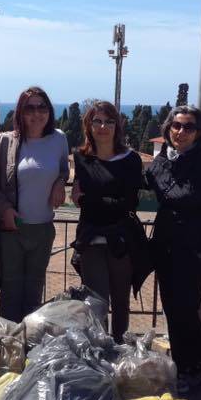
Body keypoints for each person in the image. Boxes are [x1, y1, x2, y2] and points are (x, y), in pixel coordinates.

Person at [144, 105, 201, 388]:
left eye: (189, 127)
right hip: (165, 245)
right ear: (168, 128)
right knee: (172, 307)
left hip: (195, 248)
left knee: (186, 305)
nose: (181, 132)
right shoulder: (160, 163)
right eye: (177, 126)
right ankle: (186, 364)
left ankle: (194, 364)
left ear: (198, 133)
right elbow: (137, 184)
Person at [71, 101, 150, 342]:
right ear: (89, 125)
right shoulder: (81, 158)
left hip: (121, 239)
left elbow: (127, 203)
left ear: (117, 126)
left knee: (121, 301)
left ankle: (121, 353)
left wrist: (90, 199)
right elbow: (99, 199)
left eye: (109, 121)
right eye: (97, 121)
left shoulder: (131, 160)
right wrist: (99, 200)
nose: (103, 126)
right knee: (97, 303)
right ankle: (101, 352)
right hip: (91, 239)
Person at [0, 87, 69, 322]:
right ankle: (8, 347)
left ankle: (29, 349)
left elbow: (64, 170)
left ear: (49, 110)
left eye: (42, 107)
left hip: (43, 229)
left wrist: (59, 182)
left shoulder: (59, 139)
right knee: (11, 293)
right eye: (30, 108)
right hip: (12, 229)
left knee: (34, 294)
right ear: (20, 112)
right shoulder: (5, 142)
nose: (37, 113)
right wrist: (4, 209)